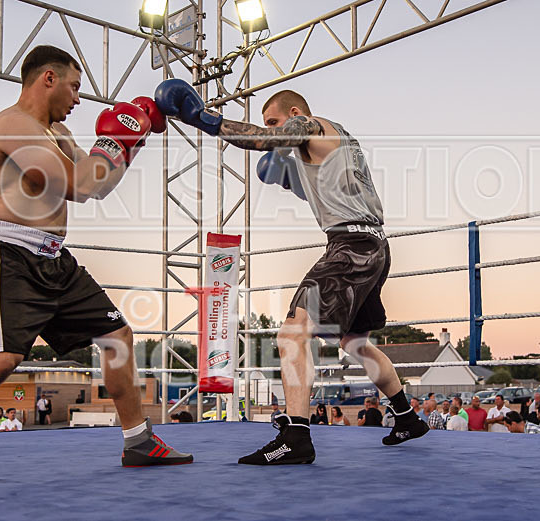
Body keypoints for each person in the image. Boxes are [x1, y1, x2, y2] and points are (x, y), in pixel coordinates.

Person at [0, 45, 191, 485]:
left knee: (117, 335)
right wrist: (120, 138)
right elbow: (77, 184)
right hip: (9, 252)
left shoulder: (62, 136)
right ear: (47, 79)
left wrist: (129, 141)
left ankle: (139, 440)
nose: (77, 99)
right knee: (0, 360)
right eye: (74, 86)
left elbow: (97, 185)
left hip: (54, 257)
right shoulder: (12, 125)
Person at [154, 80, 428, 465]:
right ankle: (407, 416)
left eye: (274, 119)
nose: (271, 127)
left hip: (349, 248)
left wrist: (204, 120)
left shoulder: (311, 124)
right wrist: (291, 178)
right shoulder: (339, 139)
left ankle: (296, 435)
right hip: (375, 247)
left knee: (291, 335)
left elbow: (263, 140)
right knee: (354, 343)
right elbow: (334, 191)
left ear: (295, 115)